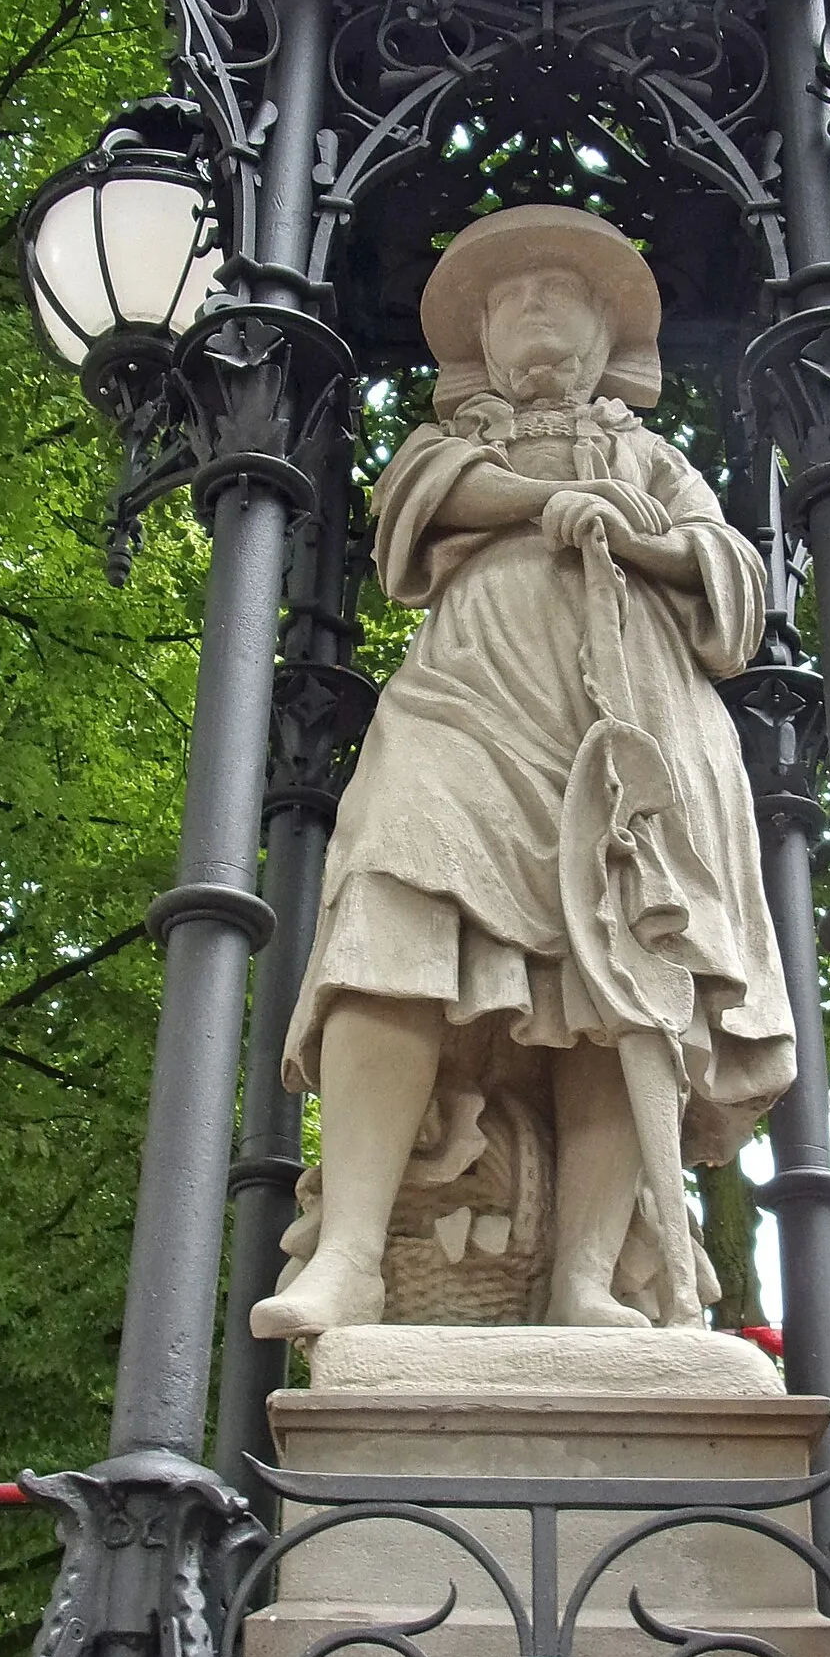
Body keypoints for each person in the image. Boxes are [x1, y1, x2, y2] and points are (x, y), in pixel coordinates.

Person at [254, 203, 795, 1340]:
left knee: (621, 985)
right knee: (388, 912)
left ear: (609, 340)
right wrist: (548, 502)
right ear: (481, 344)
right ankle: (348, 1255)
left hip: (634, 723)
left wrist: (637, 534)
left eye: (564, 298)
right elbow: (415, 504)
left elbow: (734, 589)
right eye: (511, 302)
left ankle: (584, 1279)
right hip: (468, 696)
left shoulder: (652, 457)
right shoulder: (458, 445)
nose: (538, 314)